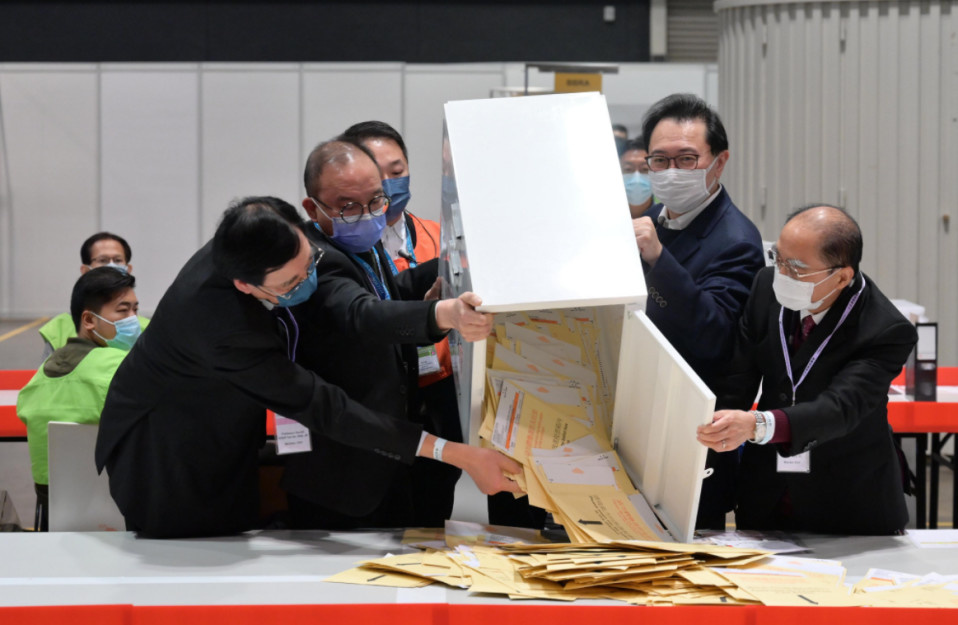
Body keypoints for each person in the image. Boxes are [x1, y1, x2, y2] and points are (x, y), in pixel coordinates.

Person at [94, 196, 522, 538]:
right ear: (246, 285)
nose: (308, 283)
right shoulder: (218, 327)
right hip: (168, 446)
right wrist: (456, 454)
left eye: (309, 264)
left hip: (223, 420)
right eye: (291, 284)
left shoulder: (262, 232)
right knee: (191, 556)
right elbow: (322, 405)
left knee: (233, 534)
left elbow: (355, 307)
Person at [697, 205, 916, 535]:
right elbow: (737, 378)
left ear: (842, 276)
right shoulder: (765, 287)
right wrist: (707, 427)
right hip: (766, 490)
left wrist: (757, 424)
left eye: (796, 268)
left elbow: (840, 408)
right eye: (778, 258)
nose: (782, 273)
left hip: (848, 497)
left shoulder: (885, 329)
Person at [282, 140, 456, 528]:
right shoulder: (313, 259)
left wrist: (449, 265)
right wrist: (442, 313)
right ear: (313, 208)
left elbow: (390, 289)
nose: (367, 215)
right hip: (342, 468)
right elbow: (364, 314)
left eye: (376, 201)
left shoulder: (364, 245)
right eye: (348, 207)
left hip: (389, 451)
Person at [633, 93, 765, 529]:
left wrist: (658, 260)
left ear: (719, 162)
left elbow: (714, 336)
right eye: (659, 160)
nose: (671, 173)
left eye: (687, 159)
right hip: (636, 422)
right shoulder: (655, 218)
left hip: (693, 438)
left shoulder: (737, 240)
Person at [340, 121, 461, 524]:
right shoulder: (348, 245)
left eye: (398, 171)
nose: (391, 183)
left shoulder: (440, 236)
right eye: (380, 174)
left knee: (434, 502)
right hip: (379, 396)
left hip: (440, 392)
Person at [17, 267, 140, 531]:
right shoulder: (122, 368)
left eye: (135, 310)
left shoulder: (39, 376)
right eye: (123, 310)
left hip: (54, 516)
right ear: (89, 320)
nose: (133, 320)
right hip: (125, 513)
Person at [38, 232, 149, 359]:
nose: (112, 266)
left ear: (128, 269)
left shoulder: (146, 328)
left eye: (118, 260)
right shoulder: (59, 328)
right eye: (103, 260)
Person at [620, 137, 653, 218]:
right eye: (628, 169)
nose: (637, 179)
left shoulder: (666, 216)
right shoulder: (603, 216)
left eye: (645, 169)